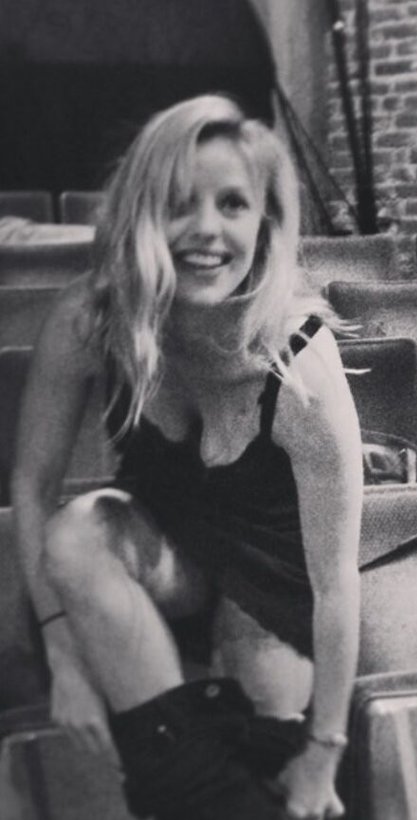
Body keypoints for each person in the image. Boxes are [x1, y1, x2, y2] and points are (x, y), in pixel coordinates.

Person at [12, 94, 363, 820]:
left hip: (273, 593)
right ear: (142, 212)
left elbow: (335, 585)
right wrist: (64, 657)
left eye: (233, 203)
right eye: (179, 203)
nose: (206, 228)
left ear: (265, 222)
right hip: (164, 565)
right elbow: (32, 484)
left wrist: (323, 752)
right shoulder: (94, 318)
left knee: (233, 737)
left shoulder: (301, 363)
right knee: (76, 532)